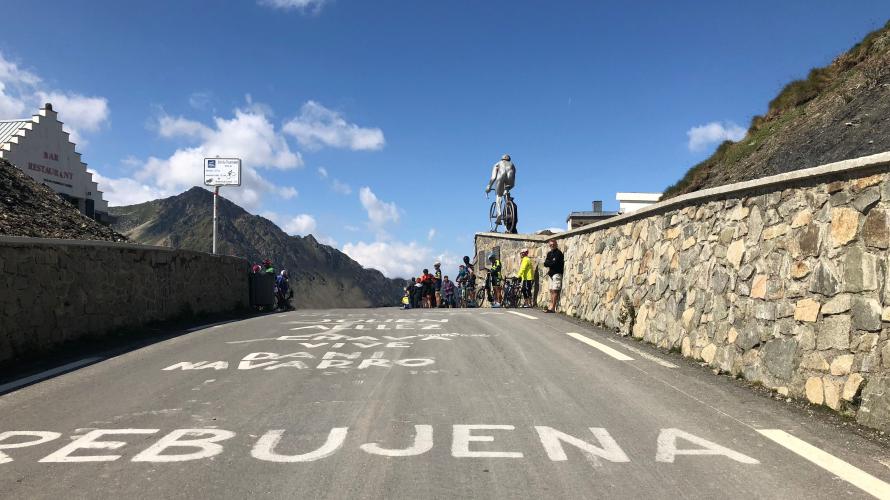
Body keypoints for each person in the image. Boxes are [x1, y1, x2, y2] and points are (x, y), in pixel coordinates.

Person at [485, 154, 517, 223]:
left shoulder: (497, 164)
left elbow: (493, 177)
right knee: (506, 190)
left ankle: (499, 213)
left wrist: (489, 186)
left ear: (502, 159)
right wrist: (509, 187)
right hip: (510, 181)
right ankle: (507, 199)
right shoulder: (512, 165)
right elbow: (514, 178)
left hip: (500, 179)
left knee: (499, 196)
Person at [543, 239, 564, 313]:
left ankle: (553, 307)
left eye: (553, 244)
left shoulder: (559, 253)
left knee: (555, 290)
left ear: (556, 244)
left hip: (557, 273)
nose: (552, 246)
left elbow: (554, 264)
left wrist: (550, 262)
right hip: (551, 274)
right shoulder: (549, 253)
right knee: (551, 290)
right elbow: (545, 264)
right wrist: (551, 262)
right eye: (550, 245)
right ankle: (551, 305)